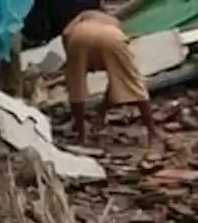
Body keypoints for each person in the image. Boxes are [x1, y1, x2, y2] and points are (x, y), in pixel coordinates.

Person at [62, 9, 161, 145]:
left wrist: (71, 57)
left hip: (79, 35)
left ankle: (81, 134)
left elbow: (66, 33)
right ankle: (152, 132)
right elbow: (116, 82)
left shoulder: (85, 14)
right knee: (132, 82)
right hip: (111, 37)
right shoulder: (114, 22)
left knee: (76, 85)